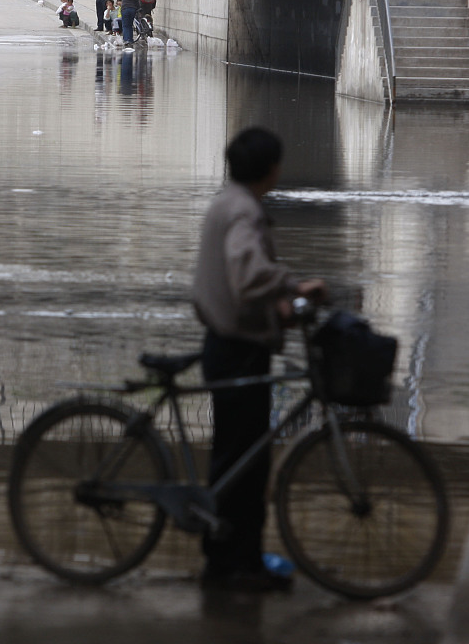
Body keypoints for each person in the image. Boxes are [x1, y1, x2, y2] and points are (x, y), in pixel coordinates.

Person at [192, 127, 327, 591]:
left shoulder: (226, 202)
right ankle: (236, 565)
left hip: (226, 343)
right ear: (271, 169)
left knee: (236, 458)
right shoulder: (245, 212)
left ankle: (229, 556)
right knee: (244, 464)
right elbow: (247, 276)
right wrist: (293, 285)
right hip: (237, 352)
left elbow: (237, 284)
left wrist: (277, 310)